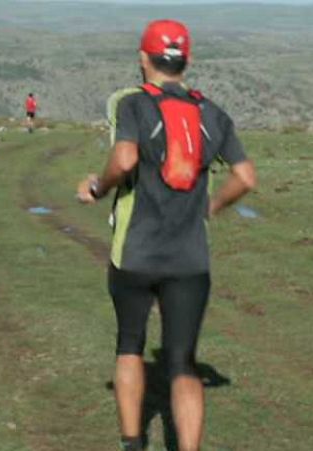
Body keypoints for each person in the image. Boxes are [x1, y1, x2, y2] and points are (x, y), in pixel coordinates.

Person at [76, 19, 256, 451]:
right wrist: (211, 207)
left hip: (135, 252)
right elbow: (246, 177)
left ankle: (133, 444)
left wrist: (97, 188)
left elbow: (122, 159)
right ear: (186, 61)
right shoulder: (212, 112)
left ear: (143, 58)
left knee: (130, 346)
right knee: (182, 363)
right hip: (189, 257)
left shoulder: (131, 103)